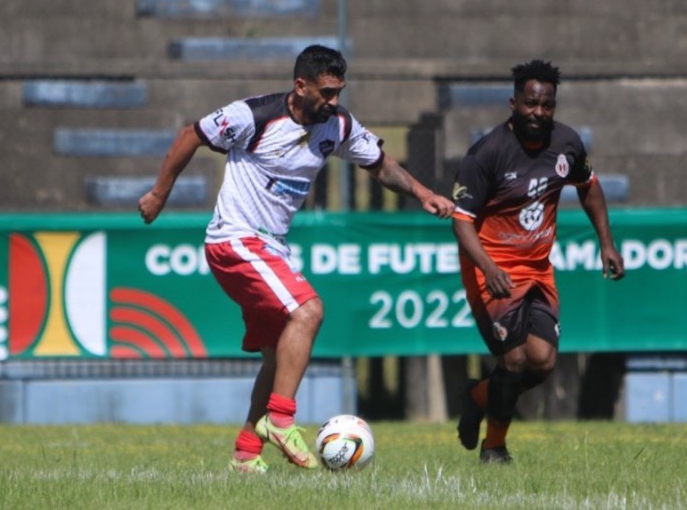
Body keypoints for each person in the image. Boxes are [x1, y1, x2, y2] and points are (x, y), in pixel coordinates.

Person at [138, 45, 455, 474]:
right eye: (326, 92)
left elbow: (381, 166)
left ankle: (246, 452)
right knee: (308, 311)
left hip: (270, 246)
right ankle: (281, 420)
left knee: (279, 355)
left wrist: (423, 194)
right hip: (236, 240)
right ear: (300, 85)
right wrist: (160, 194)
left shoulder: (337, 125)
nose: (334, 100)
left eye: (339, 91)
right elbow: (190, 135)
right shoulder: (255, 116)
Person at [451, 59, 625, 464]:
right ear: (514, 103)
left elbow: (590, 188)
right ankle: (494, 447)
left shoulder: (566, 143)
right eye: (531, 104)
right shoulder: (488, 153)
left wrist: (607, 243)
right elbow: (461, 224)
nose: (539, 113)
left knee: (542, 363)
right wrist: (490, 268)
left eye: (547, 105)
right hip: (489, 265)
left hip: (538, 268)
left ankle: (477, 396)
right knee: (512, 358)